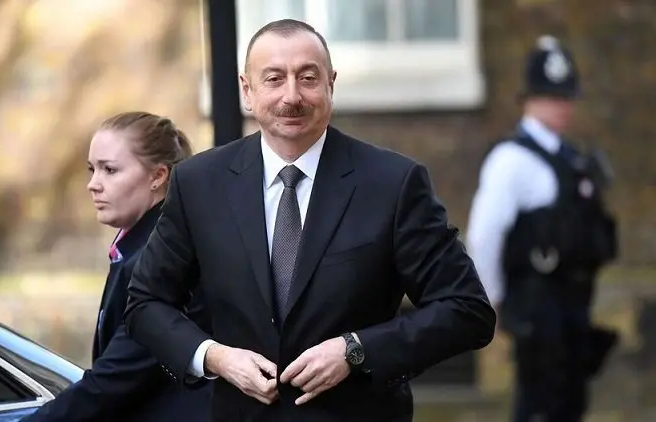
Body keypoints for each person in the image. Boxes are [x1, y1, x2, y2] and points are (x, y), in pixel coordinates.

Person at [123, 19, 495, 422]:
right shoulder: (199, 183)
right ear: (247, 90)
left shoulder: (392, 183)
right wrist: (215, 357)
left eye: (307, 78)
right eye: (274, 79)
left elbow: (467, 310)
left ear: (330, 84)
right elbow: (146, 303)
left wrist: (356, 350)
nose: (292, 96)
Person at [22, 112, 212, 422]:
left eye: (110, 170)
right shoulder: (139, 245)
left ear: (158, 176)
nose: (93, 185)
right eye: (92, 169)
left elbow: (114, 381)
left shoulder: (164, 256)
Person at [466, 36, 619, 422]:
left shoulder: (572, 158)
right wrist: (492, 301)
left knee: (569, 405)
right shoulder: (510, 160)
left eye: (566, 97)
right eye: (551, 96)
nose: (562, 106)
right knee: (539, 407)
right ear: (529, 98)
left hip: (574, 306)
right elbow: (485, 236)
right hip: (536, 308)